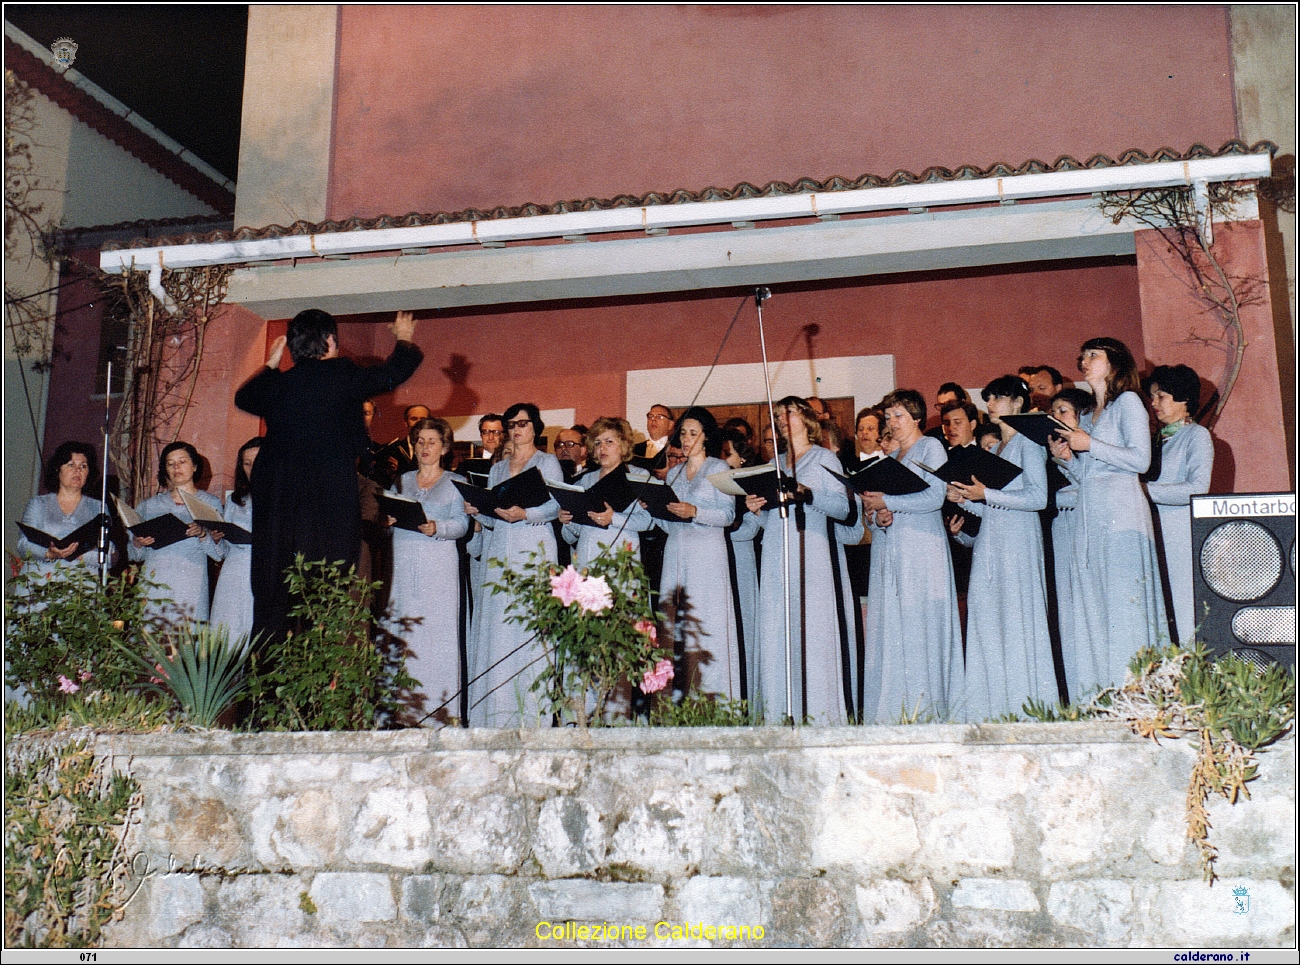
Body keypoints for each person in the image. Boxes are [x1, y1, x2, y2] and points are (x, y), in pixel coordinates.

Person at [234, 308, 423, 640]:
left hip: (278, 499)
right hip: (324, 499)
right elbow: (393, 372)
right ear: (332, 341)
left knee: (274, 596)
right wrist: (404, 339)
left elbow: (245, 397)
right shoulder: (341, 374)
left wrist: (272, 363)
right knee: (328, 586)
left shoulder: (280, 384)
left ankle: (264, 680)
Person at [1049, 337, 1166, 698]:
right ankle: (1105, 696)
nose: (1083, 361)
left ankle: (1137, 696)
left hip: (1122, 518)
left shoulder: (1129, 402)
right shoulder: (1087, 415)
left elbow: (1141, 461)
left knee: (1123, 606)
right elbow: (1091, 475)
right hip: (1092, 518)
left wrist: (1090, 445)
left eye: (1092, 355)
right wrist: (1069, 459)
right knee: (1096, 607)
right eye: (1081, 355)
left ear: (1115, 362)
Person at [947, 376, 1053, 721]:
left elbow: (1038, 498)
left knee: (1016, 617)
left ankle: (1026, 708)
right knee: (989, 618)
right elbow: (995, 507)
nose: (991, 404)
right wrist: (966, 498)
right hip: (993, 543)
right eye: (988, 398)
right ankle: (992, 708)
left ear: (1018, 403)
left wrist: (986, 495)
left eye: (999, 399)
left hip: (1020, 542)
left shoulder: (1028, 444)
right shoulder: (996, 449)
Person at [746, 397, 857, 724]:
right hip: (775, 553)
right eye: (777, 416)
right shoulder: (774, 463)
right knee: (777, 630)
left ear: (807, 420)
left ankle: (820, 716)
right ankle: (781, 714)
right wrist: (757, 507)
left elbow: (843, 509)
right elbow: (772, 519)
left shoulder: (824, 458)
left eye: (788, 414)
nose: (781, 420)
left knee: (812, 631)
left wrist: (807, 494)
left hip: (811, 553)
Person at [860, 390, 963, 723]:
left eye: (899, 416)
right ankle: (897, 708)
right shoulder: (890, 459)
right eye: (888, 417)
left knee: (921, 627)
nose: (892, 423)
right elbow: (880, 511)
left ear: (917, 417)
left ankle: (928, 710)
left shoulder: (931, 447)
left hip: (923, 548)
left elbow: (934, 497)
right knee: (896, 626)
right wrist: (879, 516)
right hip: (895, 548)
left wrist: (890, 502)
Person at [465, 402, 563, 727]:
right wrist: (480, 511)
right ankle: (494, 714)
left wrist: (526, 514)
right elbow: (495, 515)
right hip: (499, 550)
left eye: (522, 423)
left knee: (529, 629)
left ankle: (532, 716)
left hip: (533, 547)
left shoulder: (547, 462)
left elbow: (554, 507)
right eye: (511, 425)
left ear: (535, 427)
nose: (516, 429)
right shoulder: (497, 468)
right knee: (498, 628)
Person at [383, 417, 470, 724]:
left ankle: (437, 713)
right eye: (420, 441)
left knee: (435, 635)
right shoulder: (401, 481)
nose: (425, 447)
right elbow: (388, 514)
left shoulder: (456, 482)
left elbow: (462, 525)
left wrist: (437, 527)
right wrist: (389, 521)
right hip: (404, 561)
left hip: (438, 566)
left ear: (444, 447)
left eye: (432, 441)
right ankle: (398, 712)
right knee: (400, 628)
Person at [654, 407, 741, 700]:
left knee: (707, 622)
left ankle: (713, 699)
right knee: (675, 623)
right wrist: (655, 509)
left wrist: (695, 511)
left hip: (707, 555)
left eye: (693, 433)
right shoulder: (675, 472)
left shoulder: (718, 467)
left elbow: (728, 515)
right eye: (683, 433)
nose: (687, 439)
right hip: (677, 552)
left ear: (706, 437)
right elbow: (668, 524)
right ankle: (676, 701)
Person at [1143, 364, 1214, 645]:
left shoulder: (1196, 436)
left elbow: (1197, 489)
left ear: (1184, 399)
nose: (1154, 403)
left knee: (1183, 613)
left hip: (1179, 537)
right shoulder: (1155, 440)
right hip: (1153, 533)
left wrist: (1144, 491)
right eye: (1153, 397)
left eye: (1161, 396)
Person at [129, 442, 227, 624]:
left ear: (195, 466)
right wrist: (138, 542)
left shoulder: (211, 503)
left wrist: (203, 534)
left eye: (182, 462)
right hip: (154, 581)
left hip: (191, 583)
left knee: (187, 641)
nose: (176, 468)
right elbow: (133, 554)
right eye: (170, 463)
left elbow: (220, 553)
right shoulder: (148, 506)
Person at [1045, 387, 1094, 705]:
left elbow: (1092, 485)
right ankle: (1075, 696)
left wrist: (1069, 460)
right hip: (1061, 530)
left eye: (1063, 411)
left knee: (1085, 610)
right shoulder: (1054, 450)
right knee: (1067, 614)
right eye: (1055, 412)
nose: (1057, 418)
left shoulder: (1092, 448)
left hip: (1083, 526)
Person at [17, 441, 110, 578]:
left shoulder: (99, 508)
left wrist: (80, 555)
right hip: (41, 580)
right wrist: (49, 553)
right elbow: (23, 546)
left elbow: (109, 554)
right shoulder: (38, 504)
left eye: (83, 466)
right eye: (71, 465)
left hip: (82, 583)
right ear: (57, 469)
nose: (77, 471)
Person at [210, 437, 263, 647]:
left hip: (262, 570)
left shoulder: (285, 497)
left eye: (257, 462)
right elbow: (223, 551)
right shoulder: (235, 500)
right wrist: (217, 538)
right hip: (233, 571)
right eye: (247, 464)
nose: (252, 469)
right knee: (228, 628)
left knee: (253, 628)